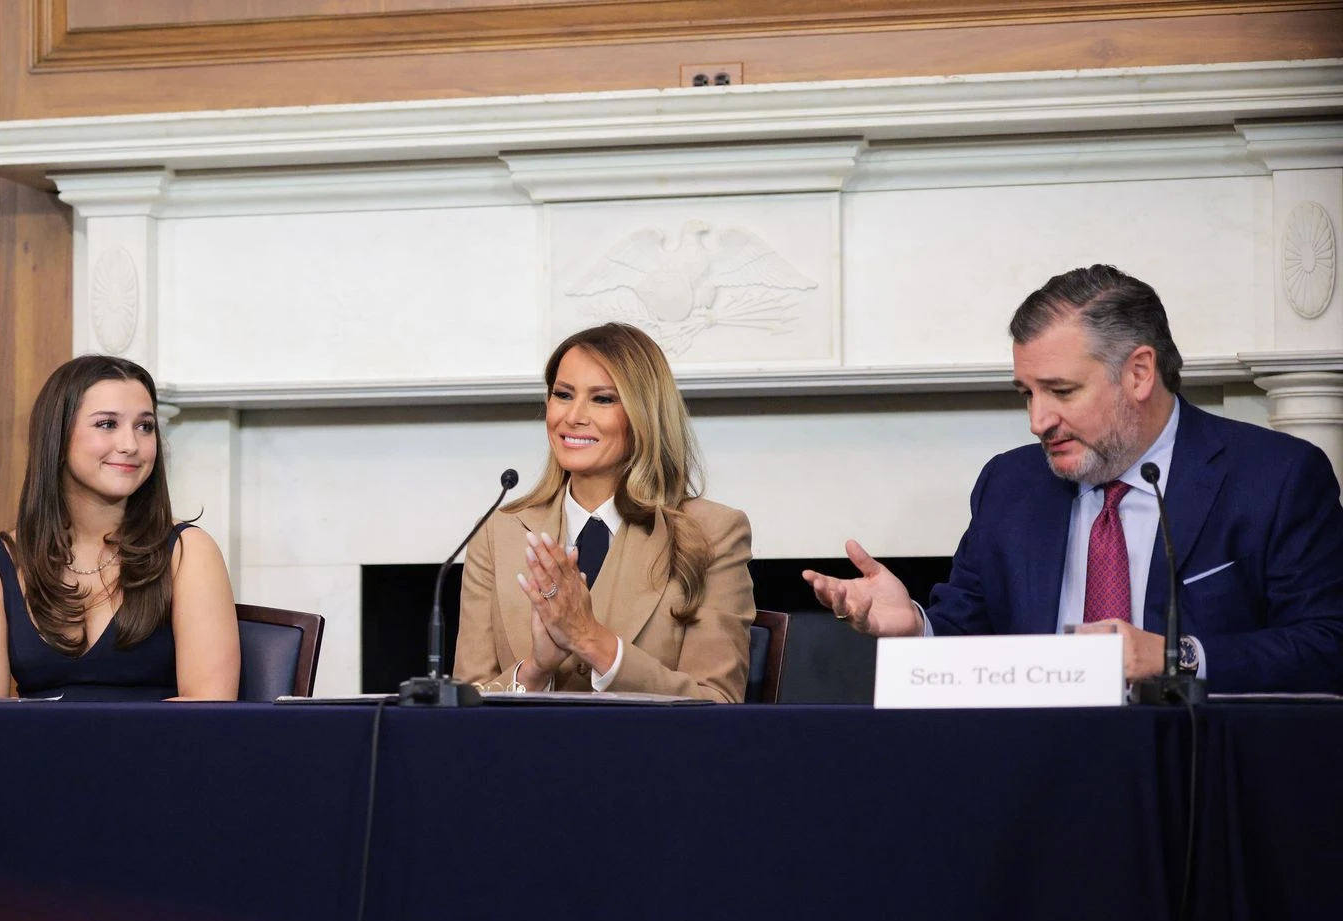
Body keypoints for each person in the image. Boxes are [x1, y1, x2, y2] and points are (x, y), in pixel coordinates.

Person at [804, 265, 1343, 693]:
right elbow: (970, 641)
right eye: (1027, 394)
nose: (1038, 421)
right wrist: (918, 628)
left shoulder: (1275, 476)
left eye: (1060, 391)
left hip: (1199, 780)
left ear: (1138, 372)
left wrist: (1173, 656)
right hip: (1039, 775)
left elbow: (1327, 644)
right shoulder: (1009, 484)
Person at [455, 323, 755, 702]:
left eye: (602, 399)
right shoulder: (500, 532)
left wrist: (590, 640)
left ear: (645, 413)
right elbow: (462, 706)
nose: (573, 416)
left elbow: (718, 702)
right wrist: (535, 669)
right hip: (525, 758)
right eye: (563, 395)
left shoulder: (715, 532)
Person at [0, 355, 239, 700]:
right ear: (57, 439)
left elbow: (211, 705)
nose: (130, 445)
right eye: (107, 424)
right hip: (34, 753)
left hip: (160, 751)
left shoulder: (188, 552)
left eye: (144, 426)